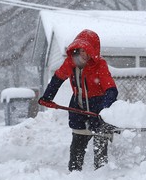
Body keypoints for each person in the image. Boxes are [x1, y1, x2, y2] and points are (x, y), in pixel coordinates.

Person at [38, 29, 118, 171]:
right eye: (79, 51)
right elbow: (57, 79)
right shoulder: (70, 63)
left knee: (100, 150)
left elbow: (111, 90)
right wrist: (47, 97)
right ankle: (74, 174)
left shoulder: (100, 66)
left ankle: (102, 178)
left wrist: (104, 111)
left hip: (98, 109)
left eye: (85, 51)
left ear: (92, 52)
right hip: (79, 109)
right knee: (77, 148)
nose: (82, 55)